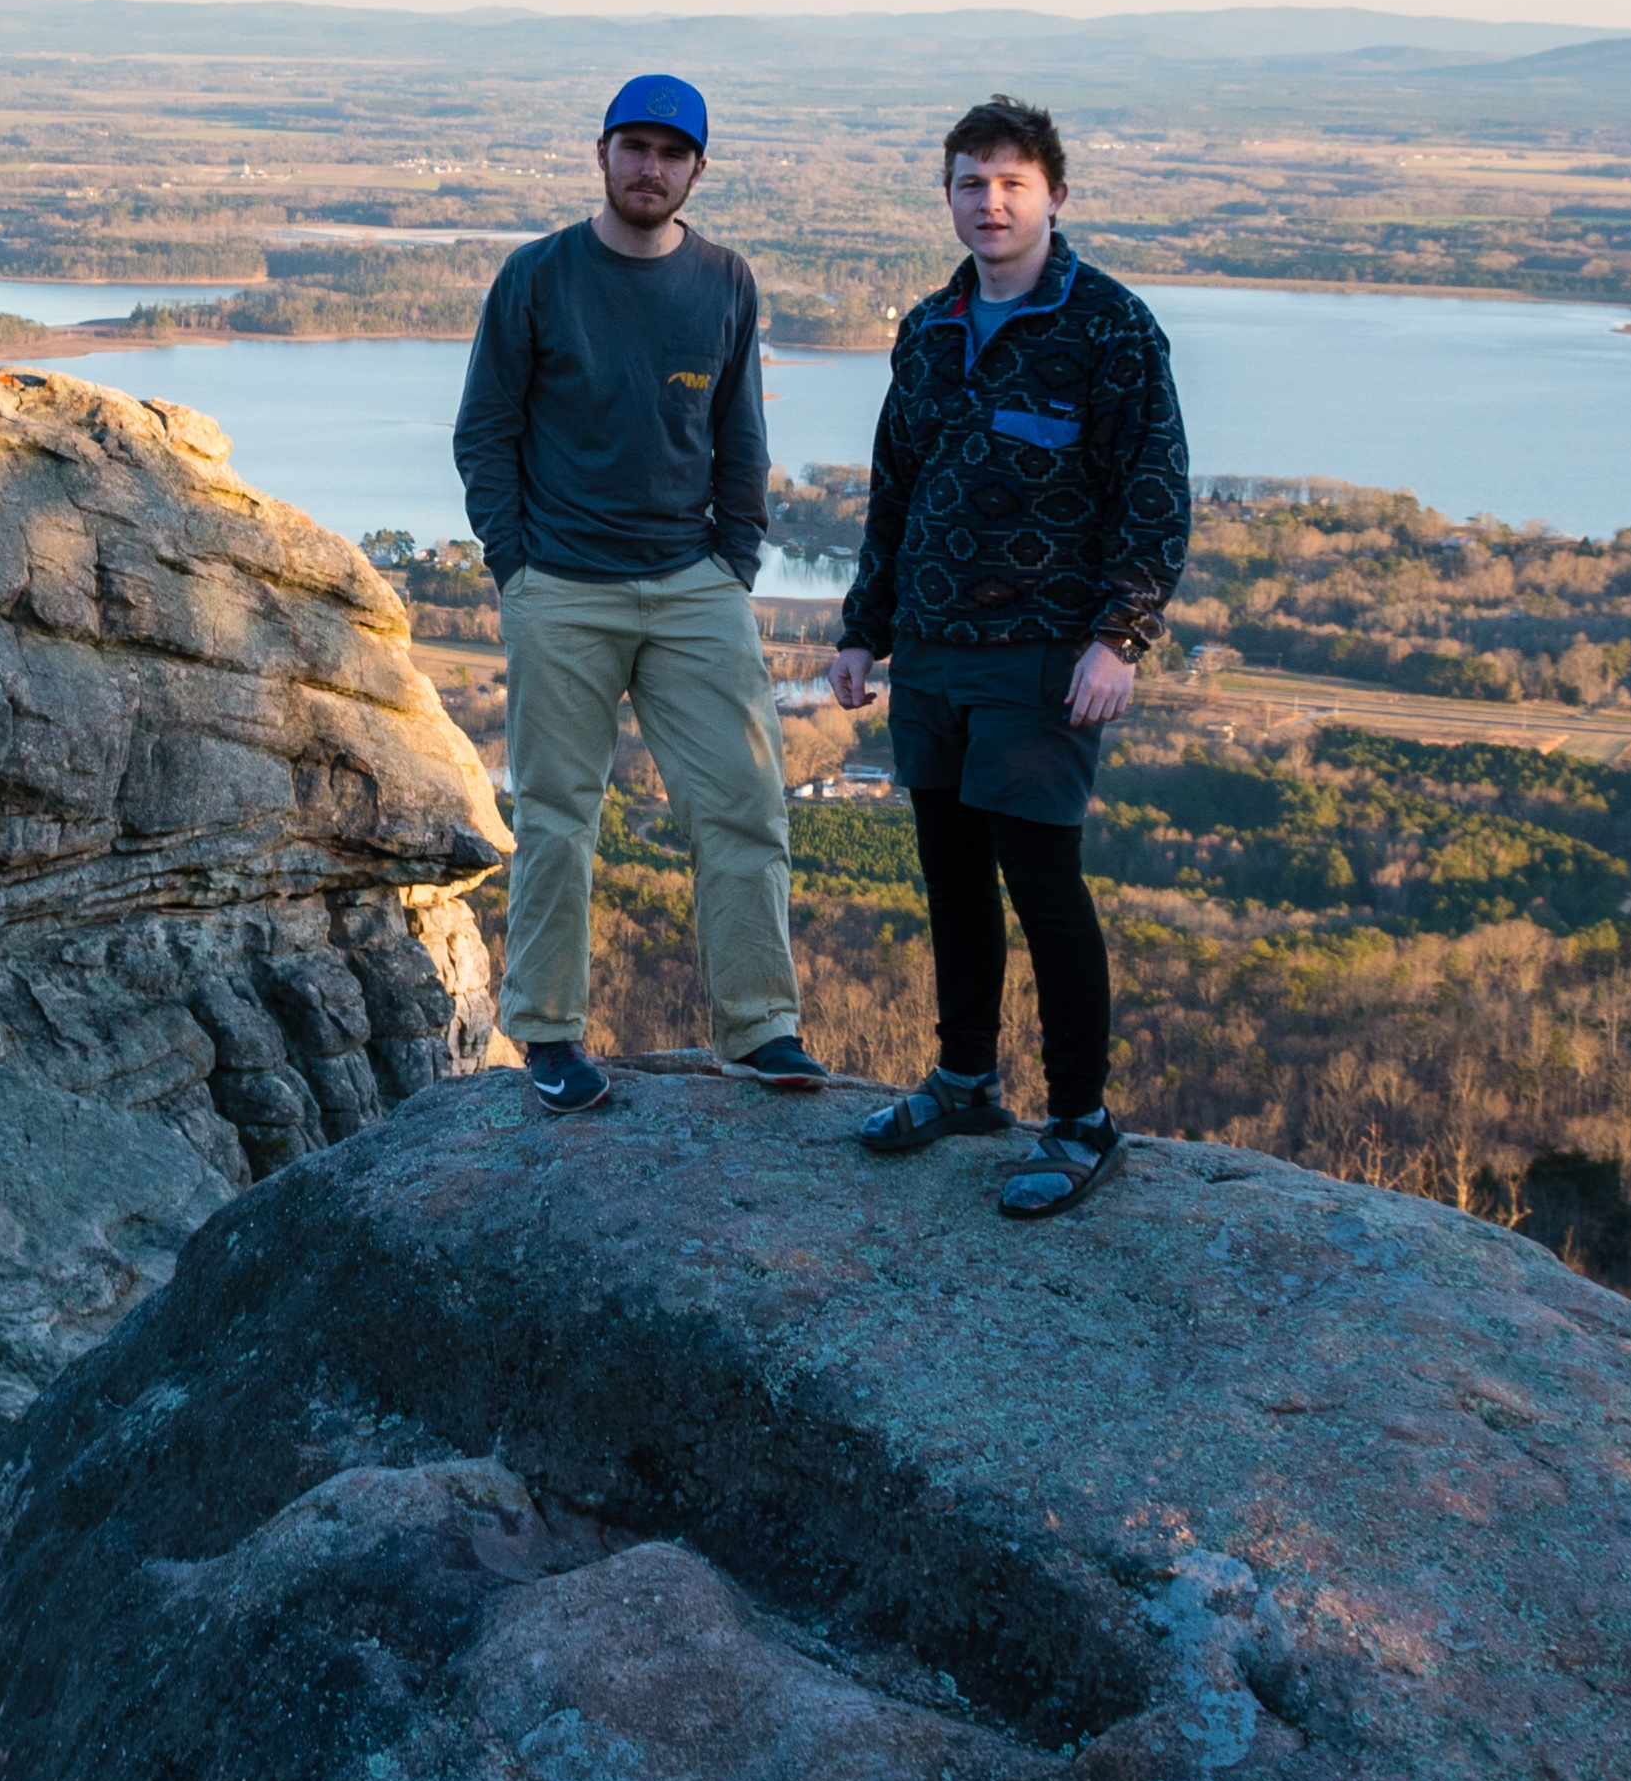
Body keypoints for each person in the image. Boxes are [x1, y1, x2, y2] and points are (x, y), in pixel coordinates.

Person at [829, 95, 1193, 1213]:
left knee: (1042, 886)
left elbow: (1153, 494)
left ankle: (1081, 1120)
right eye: (970, 183)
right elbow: (895, 490)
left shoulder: (1112, 327)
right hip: (931, 653)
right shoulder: (930, 328)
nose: (989, 203)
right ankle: (967, 1080)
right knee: (950, 878)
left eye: (1011, 184)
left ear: (1055, 196)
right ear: (947, 196)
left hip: (1042, 657)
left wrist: (1119, 640)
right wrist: (863, 628)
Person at [450, 73, 822, 1113]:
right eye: (634, 147)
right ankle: (549, 1033)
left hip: (694, 586)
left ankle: (761, 1027)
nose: (650, 168)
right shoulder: (538, 276)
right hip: (563, 586)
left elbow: (741, 437)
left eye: (671, 153)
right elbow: (485, 432)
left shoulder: (724, 280)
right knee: (559, 814)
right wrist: (517, 569)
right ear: (603, 153)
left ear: (697, 169)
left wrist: (734, 566)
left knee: (744, 804)